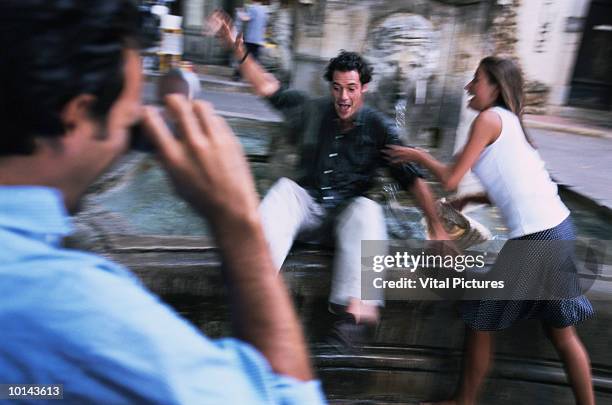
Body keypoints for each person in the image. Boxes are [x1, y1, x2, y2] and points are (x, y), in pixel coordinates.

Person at [0, 1, 325, 404]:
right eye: (128, 120)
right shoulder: (67, 300)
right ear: (78, 115)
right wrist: (238, 223)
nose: (128, 140)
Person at [207, 11, 450, 346]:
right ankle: (255, 289)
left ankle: (356, 314)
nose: (344, 97)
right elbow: (267, 86)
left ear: (363, 88)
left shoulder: (380, 127)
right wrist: (238, 49)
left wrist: (436, 228)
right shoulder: (312, 109)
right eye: (337, 88)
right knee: (284, 191)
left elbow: (413, 179)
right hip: (309, 208)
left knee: (368, 210)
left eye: (351, 88)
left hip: (345, 220)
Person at [383, 56, 595, 405]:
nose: (469, 86)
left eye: (476, 80)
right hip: (559, 229)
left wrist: (417, 155)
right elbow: (519, 183)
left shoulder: (488, 119)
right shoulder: (509, 120)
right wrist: (473, 197)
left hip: (535, 240)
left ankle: (463, 401)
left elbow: (449, 178)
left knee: (480, 315)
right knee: (563, 335)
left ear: (495, 87)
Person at [232, 0, 268, 81]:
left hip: (251, 39)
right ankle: (254, 78)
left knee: (244, 58)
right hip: (259, 40)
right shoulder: (264, 11)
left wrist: (239, 12)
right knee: (255, 60)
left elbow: (245, 18)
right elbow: (264, 27)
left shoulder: (253, 9)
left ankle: (237, 75)